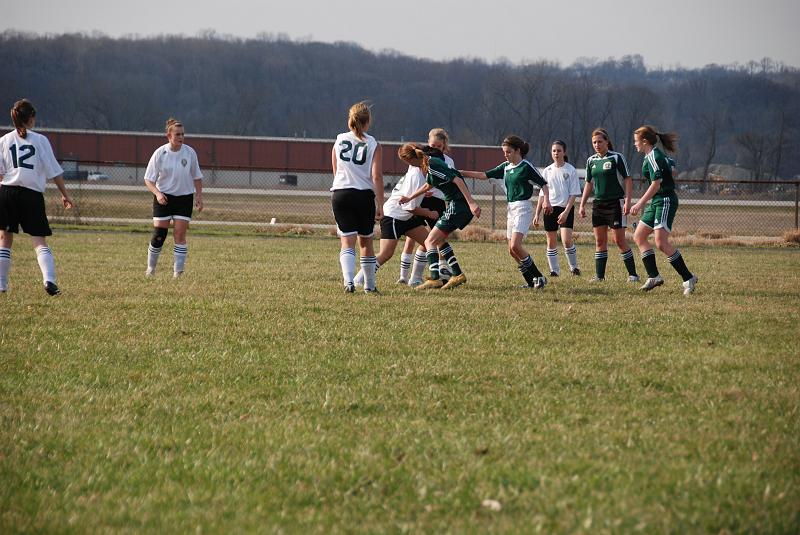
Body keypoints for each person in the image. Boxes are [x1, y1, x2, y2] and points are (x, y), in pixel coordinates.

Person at [0, 99, 74, 295]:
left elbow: (0, 173)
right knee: (39, 241)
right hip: (31, 195)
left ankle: (1, 285)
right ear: (31, 118)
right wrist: (64, 194)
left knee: (4, 240)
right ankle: (49, 281)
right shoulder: (40, 140)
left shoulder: (4, 140)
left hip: (7, 192)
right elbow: (54, 171)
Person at [461, 136, 552, 289]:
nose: (505, 155)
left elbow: (543, 184)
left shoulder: (525, 166)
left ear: (517, 151)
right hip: (511, 208)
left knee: (516, 246)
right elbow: (484, 175)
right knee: (511, 250)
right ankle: (531, 282)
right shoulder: (505, 166)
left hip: (523, 207)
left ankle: (539, 277)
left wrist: (547, 201)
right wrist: (461, 173)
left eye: (508, 152)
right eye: (504, 152)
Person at [397, 144, 480, 290]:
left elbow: (457, 180)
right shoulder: (429, 166)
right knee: (438, 240)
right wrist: (410, 197)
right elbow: (427, 186)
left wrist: (472, 203)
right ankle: (458, 275)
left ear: (410, 161)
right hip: (458, 206)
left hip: (458, 206)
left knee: (429, 240)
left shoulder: (433, 164)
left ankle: (434, 278)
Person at [352, 149, 440, 287]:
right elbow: (409, 207)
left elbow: (411, 191)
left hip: (406, 217)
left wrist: (422, 194)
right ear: (424, 161)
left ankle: (415, 279)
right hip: (393, 216)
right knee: (386, 253)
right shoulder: (416, 175)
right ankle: (358, 279)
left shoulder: (415, 167)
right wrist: (429, 213)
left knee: (428, 242)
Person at [630, 125, 698, 295]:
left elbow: (656, 184)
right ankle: (654, 277)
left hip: (665, 200)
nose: (634, 145)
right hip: (657, 201)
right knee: (639, 236)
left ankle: (688, 277)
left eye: (636, 141)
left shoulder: (654, 156)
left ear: (644, 141)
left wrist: (639, 204)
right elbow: (670, 168)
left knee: (661, 242)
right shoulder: (650, 156)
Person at [331, 101, 383, 293]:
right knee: (366, 242)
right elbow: (376, 176)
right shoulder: (373, 143)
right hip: (363, 196)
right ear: (368, 121)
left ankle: (348, 282)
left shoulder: (339, 139)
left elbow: (336, 171)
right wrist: (381, 204)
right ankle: (369, 286)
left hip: (341, 194)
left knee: (347, 241)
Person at [144, 118, 204, 278]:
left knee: (179, 235)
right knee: (159, 234)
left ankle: (178, 273)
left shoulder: (190, 152)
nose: (181, 137)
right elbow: (148, 180)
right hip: (163, 198)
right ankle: (151, 269)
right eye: (177, 134)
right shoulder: (160, 153)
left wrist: (198, 196)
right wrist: (157, 194)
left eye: (183, 134)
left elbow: (197, 177)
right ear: (168, 136)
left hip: (184, 199)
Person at [578, 128, 640, 282]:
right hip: (598, 204)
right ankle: (599, 276)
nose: (597, 144)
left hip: (615, 204)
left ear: (607, 141)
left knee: (618, 240)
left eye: (600, 141)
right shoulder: (591, 160)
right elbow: (588, 183)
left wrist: (628, 200)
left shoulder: (616, 158)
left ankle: (633, 275)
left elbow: (628, 179)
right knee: (600, 241)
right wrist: (582, 204)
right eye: (594, 142)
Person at [400, 128, 457, 287]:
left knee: (435, 238)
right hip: (420, 201)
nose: (434, 149)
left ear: (444, 146)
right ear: (428, 143)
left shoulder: (448, 161)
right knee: (412, 237)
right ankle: (403, 276)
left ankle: (427, 273)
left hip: (437, 202)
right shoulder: (420, 158)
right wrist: (418, 194)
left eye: (438, 147)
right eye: (432, 145)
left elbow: (449, 182)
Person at [533, 140, 582, 277]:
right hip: (549, 209)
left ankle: (574, 268)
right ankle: (554, 270)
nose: (556, 153)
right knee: (551, 240)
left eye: (559, 150)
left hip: (565, 209)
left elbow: (573, 193)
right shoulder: (547, 171)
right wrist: (537, 214)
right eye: (554, 151)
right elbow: (542, 194)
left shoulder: (570, 170)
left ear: (564, 152)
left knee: (566, 240)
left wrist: (566, 212)